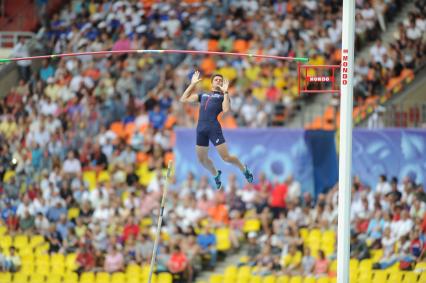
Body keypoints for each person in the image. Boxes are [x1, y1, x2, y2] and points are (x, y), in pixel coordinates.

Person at [179, 71, 253, 189]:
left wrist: (226, 92)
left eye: (220, 80)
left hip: (213, 128)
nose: (218, 81)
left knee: (226, 158)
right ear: (212, 82)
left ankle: (244, 169)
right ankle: (215, 174)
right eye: (216, 80)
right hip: (201, 129)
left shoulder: (223, 96)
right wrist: (192, 84)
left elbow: (226, 109)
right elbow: (183, 99)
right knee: (202, 160)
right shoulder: (203, 95)